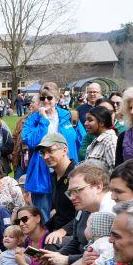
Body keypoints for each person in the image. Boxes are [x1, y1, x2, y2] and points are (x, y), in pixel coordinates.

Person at [22, 82, 84, 218]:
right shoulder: (33, 119)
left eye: (49, 98)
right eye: (42, 98)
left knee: (70, 211)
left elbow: (82, 140)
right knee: (43, 215)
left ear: (57, 98)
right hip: (42, 172)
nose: (46, 101)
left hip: (67, 171)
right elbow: (30, 141)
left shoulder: (69, 116)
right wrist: (43, 121)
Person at [36, 132, 77, 238]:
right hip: (57, 232)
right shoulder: (54, 176)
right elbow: (61, 214)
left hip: (74, 235)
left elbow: (85, 213)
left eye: (50, 151)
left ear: (64, 150)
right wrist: (41, 230)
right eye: (42, 153)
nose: (46, 157)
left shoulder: (77, 176)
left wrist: (63, 231)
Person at [82, 106, 118, 172]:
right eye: (86, 120)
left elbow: (116, 171)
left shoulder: (110, 141)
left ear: (102, 123)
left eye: (90, 120)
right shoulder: (97, 141)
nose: (85, 123)